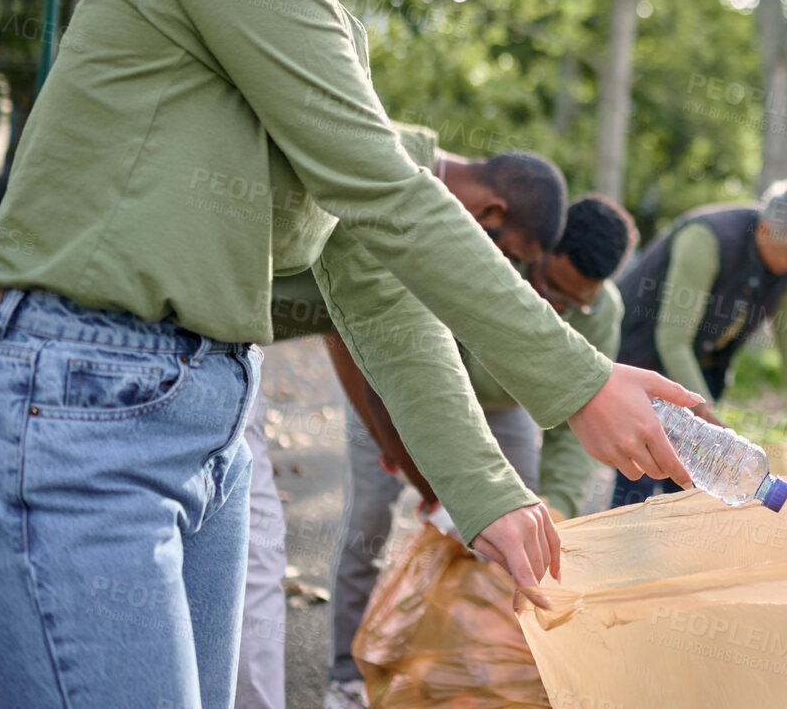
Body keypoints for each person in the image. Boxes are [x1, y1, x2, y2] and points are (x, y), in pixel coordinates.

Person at [0, 0, 697, 709]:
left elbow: (372, 276)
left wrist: (489, 493)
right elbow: (389, 189)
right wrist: (578, 380)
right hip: (75, 406)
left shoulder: (321, 16)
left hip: (200, 426)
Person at [233, 132, 585, 709]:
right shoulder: (387, 170)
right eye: (509, 254)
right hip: (192, 339)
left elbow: (368, 328)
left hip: (237, 355)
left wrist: (453, 488)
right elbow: (362, 342)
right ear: (491, 214)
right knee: (270, 561)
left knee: (250, 562)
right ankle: (345, 677)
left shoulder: (404, 178)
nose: (501, 269)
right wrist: (425, 475)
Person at [322, 188, 634, 709]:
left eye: (576, 302)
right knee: (370, 521)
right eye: (552, 288)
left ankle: (469, 673)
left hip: (503, 405)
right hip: (400, 388)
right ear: (534, 255)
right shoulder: (474, 253)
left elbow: (573, 419)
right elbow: (401, 352)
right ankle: (344, 677)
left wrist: (557, 504)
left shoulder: (600, 310)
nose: (562, 307)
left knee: (520, 532)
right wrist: (406, 456)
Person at [612, 180, 787, 505]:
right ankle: (624, 546)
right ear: (764, 231)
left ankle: (675, 553)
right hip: (644, 362)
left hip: (700, 374)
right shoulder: (707, 238)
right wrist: (704, 411)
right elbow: (673, 339)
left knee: (691, 490)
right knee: (639, 480)